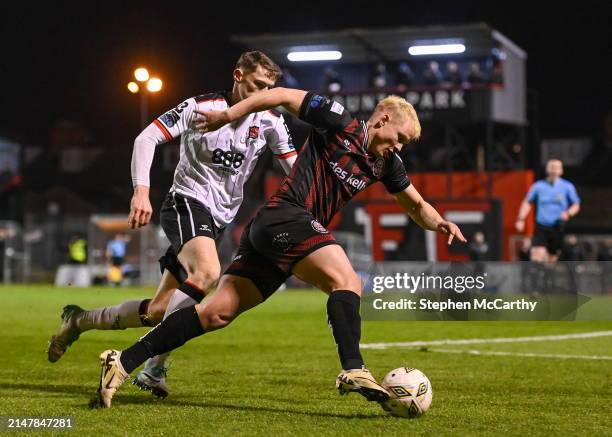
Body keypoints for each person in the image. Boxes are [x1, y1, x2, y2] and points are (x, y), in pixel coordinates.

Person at [92, 88, 466, 409]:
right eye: (399, 137)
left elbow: (416, 205)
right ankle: (353, 367)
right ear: (383, 119)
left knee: (215, 314)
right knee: (347, 281)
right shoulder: (340, 121)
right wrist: (228, 114)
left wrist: (441, 222)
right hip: (286, 216)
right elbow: (281, 95)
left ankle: (124, 361)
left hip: (274, 236)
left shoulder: (386, 163)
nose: (399, 147)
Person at [47, 51, 297, 398]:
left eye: (269, 88)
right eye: (257, 85)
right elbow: (145, 138)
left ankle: (79, 320)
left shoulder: (270, 120)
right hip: (186, 202)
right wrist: (141, 192)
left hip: (218, 219)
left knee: (159, 310)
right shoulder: (199, 106)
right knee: (208, 273)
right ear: (238, 75)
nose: (263, 93)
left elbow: (294, 169)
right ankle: (148, 363)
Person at [515, 159, 580, 263]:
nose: (554, 171)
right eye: (552, 168)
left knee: (552, 258)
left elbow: (576, 205)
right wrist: (521, 219)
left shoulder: (567, 187)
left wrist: (568, 213)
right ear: (547, 169)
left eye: (556, 168)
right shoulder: (538, 186)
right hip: (542, 225)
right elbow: (527, 202)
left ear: (561, 171)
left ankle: (548, 276)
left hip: (558, 226)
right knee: (537, 254)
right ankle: (536, 276)